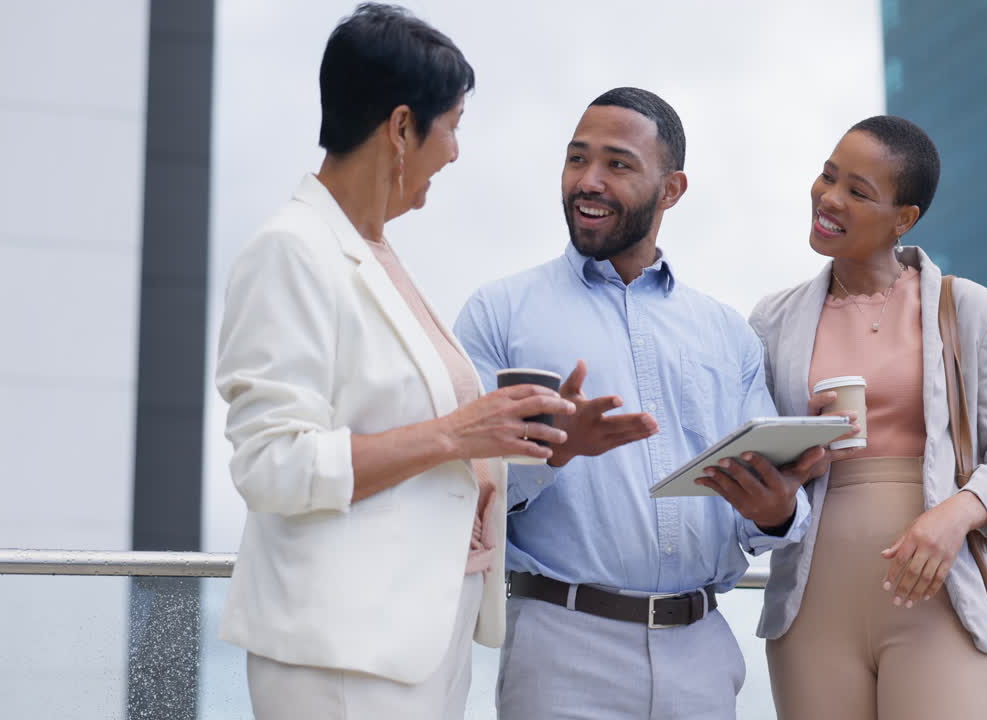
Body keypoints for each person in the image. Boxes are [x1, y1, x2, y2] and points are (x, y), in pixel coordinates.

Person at [213, 5, 575, 718]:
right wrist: (456, 434)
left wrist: (519, 439)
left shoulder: (376, 255)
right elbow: (271, 464)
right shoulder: (291, 250)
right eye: (455, 125)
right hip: (342, 656)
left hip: (417, 645)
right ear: (403, 127)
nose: (457, 151)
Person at [453, 87, 829, 719]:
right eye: (576, 160)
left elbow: (754, 520)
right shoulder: (499, 314)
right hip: (561, 650)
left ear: (672, 188)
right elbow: (462, 489)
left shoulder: (726, 331)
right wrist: (553, 454)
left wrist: (773, 511)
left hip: (703, 652)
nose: (588, 181)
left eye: (617, 164)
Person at [749, 116, 987, 719]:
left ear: (903, 219)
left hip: (941, 595)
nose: (829, 198)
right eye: (828, 176)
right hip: (811, 609)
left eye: (858, 192)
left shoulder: (968, 309)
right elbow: (757, 460)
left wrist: (956, 515)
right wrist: (793, 448)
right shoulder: (772, 321)